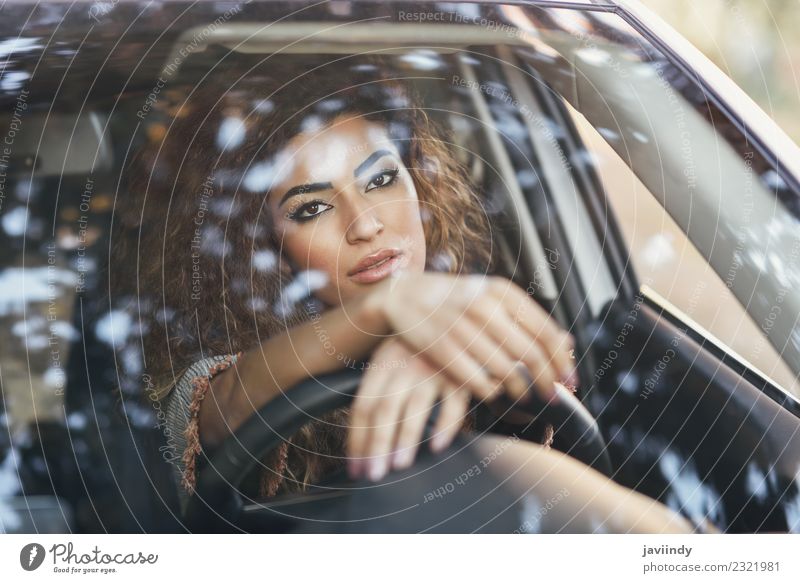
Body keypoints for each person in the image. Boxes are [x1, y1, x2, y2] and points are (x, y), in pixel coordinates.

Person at [120, 55, 693, 532]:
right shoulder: (220, 380)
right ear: (261, 248)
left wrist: (434, 348)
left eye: (380, 179)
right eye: (313, 208)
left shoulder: (479, 320)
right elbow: (223, 410)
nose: (365, 223)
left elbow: (546, 421)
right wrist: (386, 311)